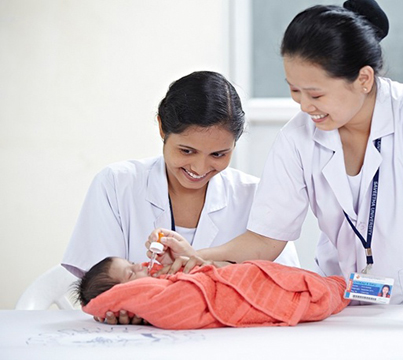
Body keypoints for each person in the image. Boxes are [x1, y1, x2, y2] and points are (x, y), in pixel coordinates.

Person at [149, 1, 403, 333]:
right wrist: (198, 256)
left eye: (316, 93)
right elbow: (265, 239)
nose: (305, 106)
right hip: (346, 304)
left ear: (364, 79)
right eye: (294, 91)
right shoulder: (298, 138)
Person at [62, 71, 299, 324]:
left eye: (218, 155)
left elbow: (281, 286)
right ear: (163, 127)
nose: (199, 167)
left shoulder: (254, 195)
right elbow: (100, 289)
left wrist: (206, 264)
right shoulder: (116, 184)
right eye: (187, 151)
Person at [74, 256, 349, 329]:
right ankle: (344, 287)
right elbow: (185, 299)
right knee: (318, 291)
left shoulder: (162, 278)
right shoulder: (158, 294)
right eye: (132, 272)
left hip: (246, 275)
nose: (141, 266)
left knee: (313, 282)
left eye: (133, 263)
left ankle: (346, 287)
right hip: (246, 292)